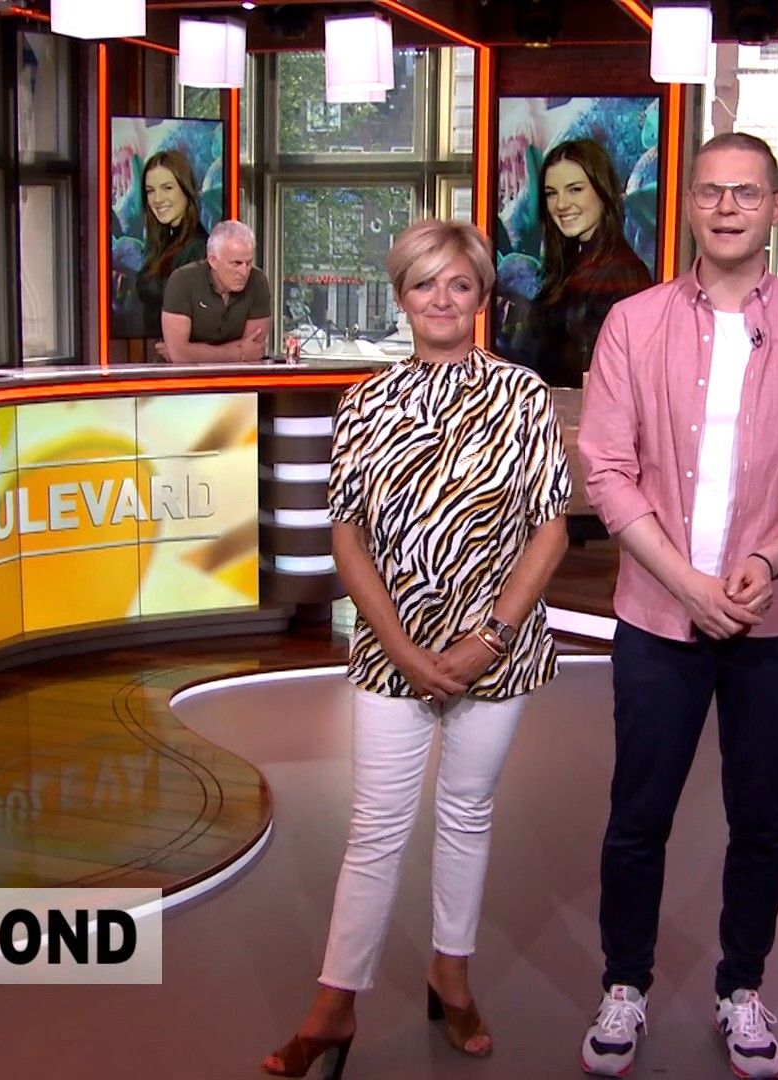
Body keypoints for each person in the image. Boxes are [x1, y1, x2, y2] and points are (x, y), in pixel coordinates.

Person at [575, 133, 778, 1079]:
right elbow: (607, 470)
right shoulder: (633, 324)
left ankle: (742, 986)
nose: (728, 207)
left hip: (773, 621)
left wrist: (763, 558)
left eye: (747, 193)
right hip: (658, 616)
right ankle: (624, 983)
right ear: (689, 206)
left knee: (762, 818)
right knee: (638, 817)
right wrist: (687, 583)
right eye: (710, 192)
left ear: (777, 208)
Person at [261, 219, 573, 1079]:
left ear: (481, 297)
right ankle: (334, 1006)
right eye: (424, 283)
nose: (442, 298)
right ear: (401, 296)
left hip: (499, 649)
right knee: (375, 829)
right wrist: (401, 649)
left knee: (467, 815)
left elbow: (549, 531)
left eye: (459, 284)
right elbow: (348, 537)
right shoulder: (365, 402)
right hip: (390, 656)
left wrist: (489, 638)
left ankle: (451, 975)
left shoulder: (521, 395)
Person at [523, 139, 655, 388]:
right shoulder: (567, 266)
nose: (561, 204)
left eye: (575, 189)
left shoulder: (624, 275)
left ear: (602, 191)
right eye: (551, 193)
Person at [158, 220, 273, 363]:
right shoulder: (182, 280)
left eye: (248, 263)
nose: (244, 272)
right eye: (236, 263)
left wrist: (193, 351)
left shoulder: (257, 281)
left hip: (238, 374)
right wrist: (238, 353)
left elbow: (255, 349)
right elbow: (179, 355)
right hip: (184, 375)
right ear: (212, 261)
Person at [132, 149, 209, 341]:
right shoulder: (162, 243)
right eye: (150, 191)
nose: (157, 199)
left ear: (186, 189)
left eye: (167, 188)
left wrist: (176, 348)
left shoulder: (198, 248)